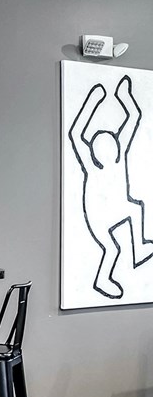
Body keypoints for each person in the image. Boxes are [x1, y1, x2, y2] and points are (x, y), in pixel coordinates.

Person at [69, 75, 153, 299]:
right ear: (96, 152)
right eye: (103, 145)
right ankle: (104, 277)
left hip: (114, 209)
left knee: (134, 210)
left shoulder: (119, 159)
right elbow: (76, 134)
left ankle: (139, 249)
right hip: (98, 217)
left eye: (111, 143)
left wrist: (124, 96)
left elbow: (133, 117)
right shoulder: (92, 166)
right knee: (113, 247)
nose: (110, 148)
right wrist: (93, 101)